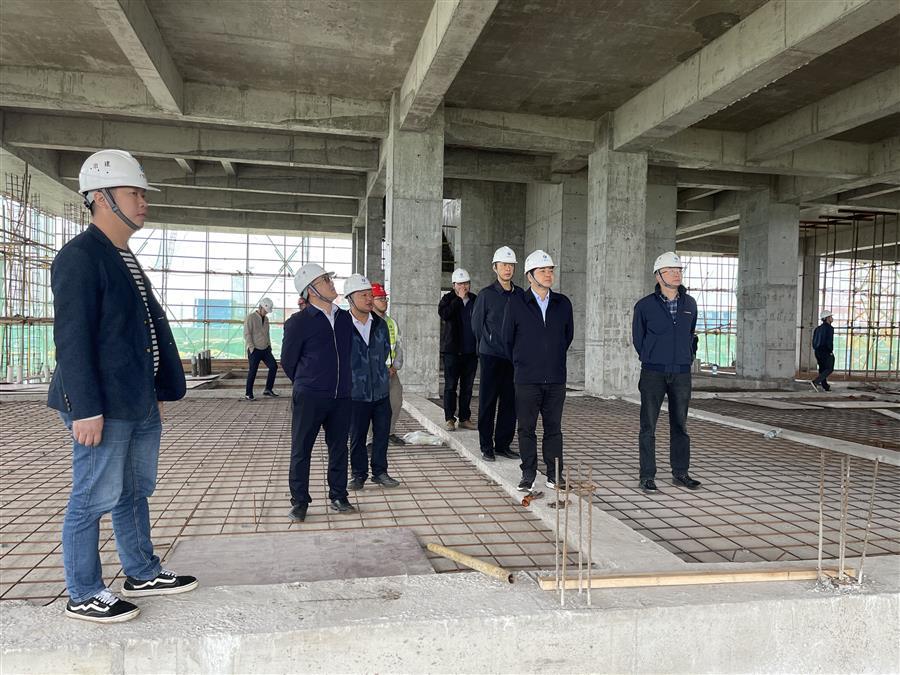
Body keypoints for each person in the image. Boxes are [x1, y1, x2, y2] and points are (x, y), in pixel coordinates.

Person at [48, 149, 196, 623]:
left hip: (136, 399)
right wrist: (85, 408)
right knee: (92, 496)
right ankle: (84, 592)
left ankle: (141, 571)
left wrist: (156, 390)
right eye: (134, 193)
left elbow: (139, 331)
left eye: (142, 194)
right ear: (100, 197)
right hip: (103, 405)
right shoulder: (80, 257)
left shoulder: (122, 255)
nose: (143, 202)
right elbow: (72, 339)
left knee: (133, 490)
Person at [281, 263, 355, 521]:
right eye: (325, 280)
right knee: (301, 449)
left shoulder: (345, 319)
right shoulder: (298, 323)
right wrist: (309, 381)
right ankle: (300, 502)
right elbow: (288, 361)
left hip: (341, 395)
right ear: (311, 290)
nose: (331, 283)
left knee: (339, 448)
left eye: (329, 279)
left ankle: (339, 495)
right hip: (310, 397)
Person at [502, 250, 573, 492]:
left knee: (554, 429)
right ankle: (528, 474)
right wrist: (524, 361)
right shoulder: (516, 303)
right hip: (527, 379)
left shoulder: (563, 304)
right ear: (530, 276)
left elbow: (567, 337)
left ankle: (554, 475)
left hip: (555, 378)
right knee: (526, 429)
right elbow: (507, 340)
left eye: (550, 270)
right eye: (542, 271)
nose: (548, 274)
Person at [631, 251, 701, 493]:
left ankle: (681, 472)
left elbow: (690, 334)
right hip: (653, 373)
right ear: (658, 276)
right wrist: (651, 357)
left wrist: (686, 357)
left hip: (681, 373)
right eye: (670, 270)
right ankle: (647, 475)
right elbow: (638, 339)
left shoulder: (690, 304)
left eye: (679, 270)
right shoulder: (644, 306)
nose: (676, 274)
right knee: (648, 426)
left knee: (680, 424)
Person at [344, 275, 401, 490]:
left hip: (380, 390)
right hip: (355, 392)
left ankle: (380, 472)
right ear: (350, 298)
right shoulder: (341, 325)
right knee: (357, 436)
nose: (369, 299)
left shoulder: (380, 324)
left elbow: (385, 350)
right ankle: (358, 475)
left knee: (382, 434)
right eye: (364, 295)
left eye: (370, 295)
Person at [471, 246, 522, 462]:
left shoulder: (520, 295)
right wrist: (488, 344)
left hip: (513, 358)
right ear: (495, 267)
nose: (507, 269)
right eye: (503, 265)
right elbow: (476, 325)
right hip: (491, 356)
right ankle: (486, 446)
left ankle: (503, 445)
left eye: (511, 265)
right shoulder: (486, 295)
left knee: (510, 403)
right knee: (488, 402)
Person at [438, 268, 478, 431]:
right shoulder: (447, 299)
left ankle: (464, 418)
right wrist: (459, 300)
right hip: (452, 351)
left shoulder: (475, 299)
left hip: (471, 351)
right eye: (460, 284)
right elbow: (445, 315)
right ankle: (449, 418)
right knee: (450, 386)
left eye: (466, 283)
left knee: (467, 387)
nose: (463, 287)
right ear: (453, 285)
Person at [371, 282, 406, 446]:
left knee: (395, 402)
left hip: (391, 373)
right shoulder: (367, 322)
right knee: (369, 407)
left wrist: (395, 367)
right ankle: (369, 440)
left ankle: (389, 432)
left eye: (385, 298)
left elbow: (398, 347)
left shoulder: (391, 323)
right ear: (371, 300)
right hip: (372, 373)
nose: (384, 302)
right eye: (380, 298)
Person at [243, 297, 279, 400]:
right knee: (253, 371)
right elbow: (247, 334)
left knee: (273, 366)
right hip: (254, 349)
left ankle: (268, 389)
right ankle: (248, 393)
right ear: (260, 307)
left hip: (265, 348)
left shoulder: (266, 319)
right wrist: (252, 348)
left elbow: (267, 333)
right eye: (265, 310)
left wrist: (269, 346)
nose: (266, 313)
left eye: (267, 311)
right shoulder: (251, 317)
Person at [811, 310, 835, 392]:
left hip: (817, 351)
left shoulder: (817, 329)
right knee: (829, 368)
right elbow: (829, 341)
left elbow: (814, 341)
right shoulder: (829, 328)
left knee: (822, 369)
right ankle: (816, 382)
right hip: (825, 351)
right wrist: (830, 351)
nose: (832, 318)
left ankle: (825, 386)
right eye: (831, 316)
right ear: (827, 318)